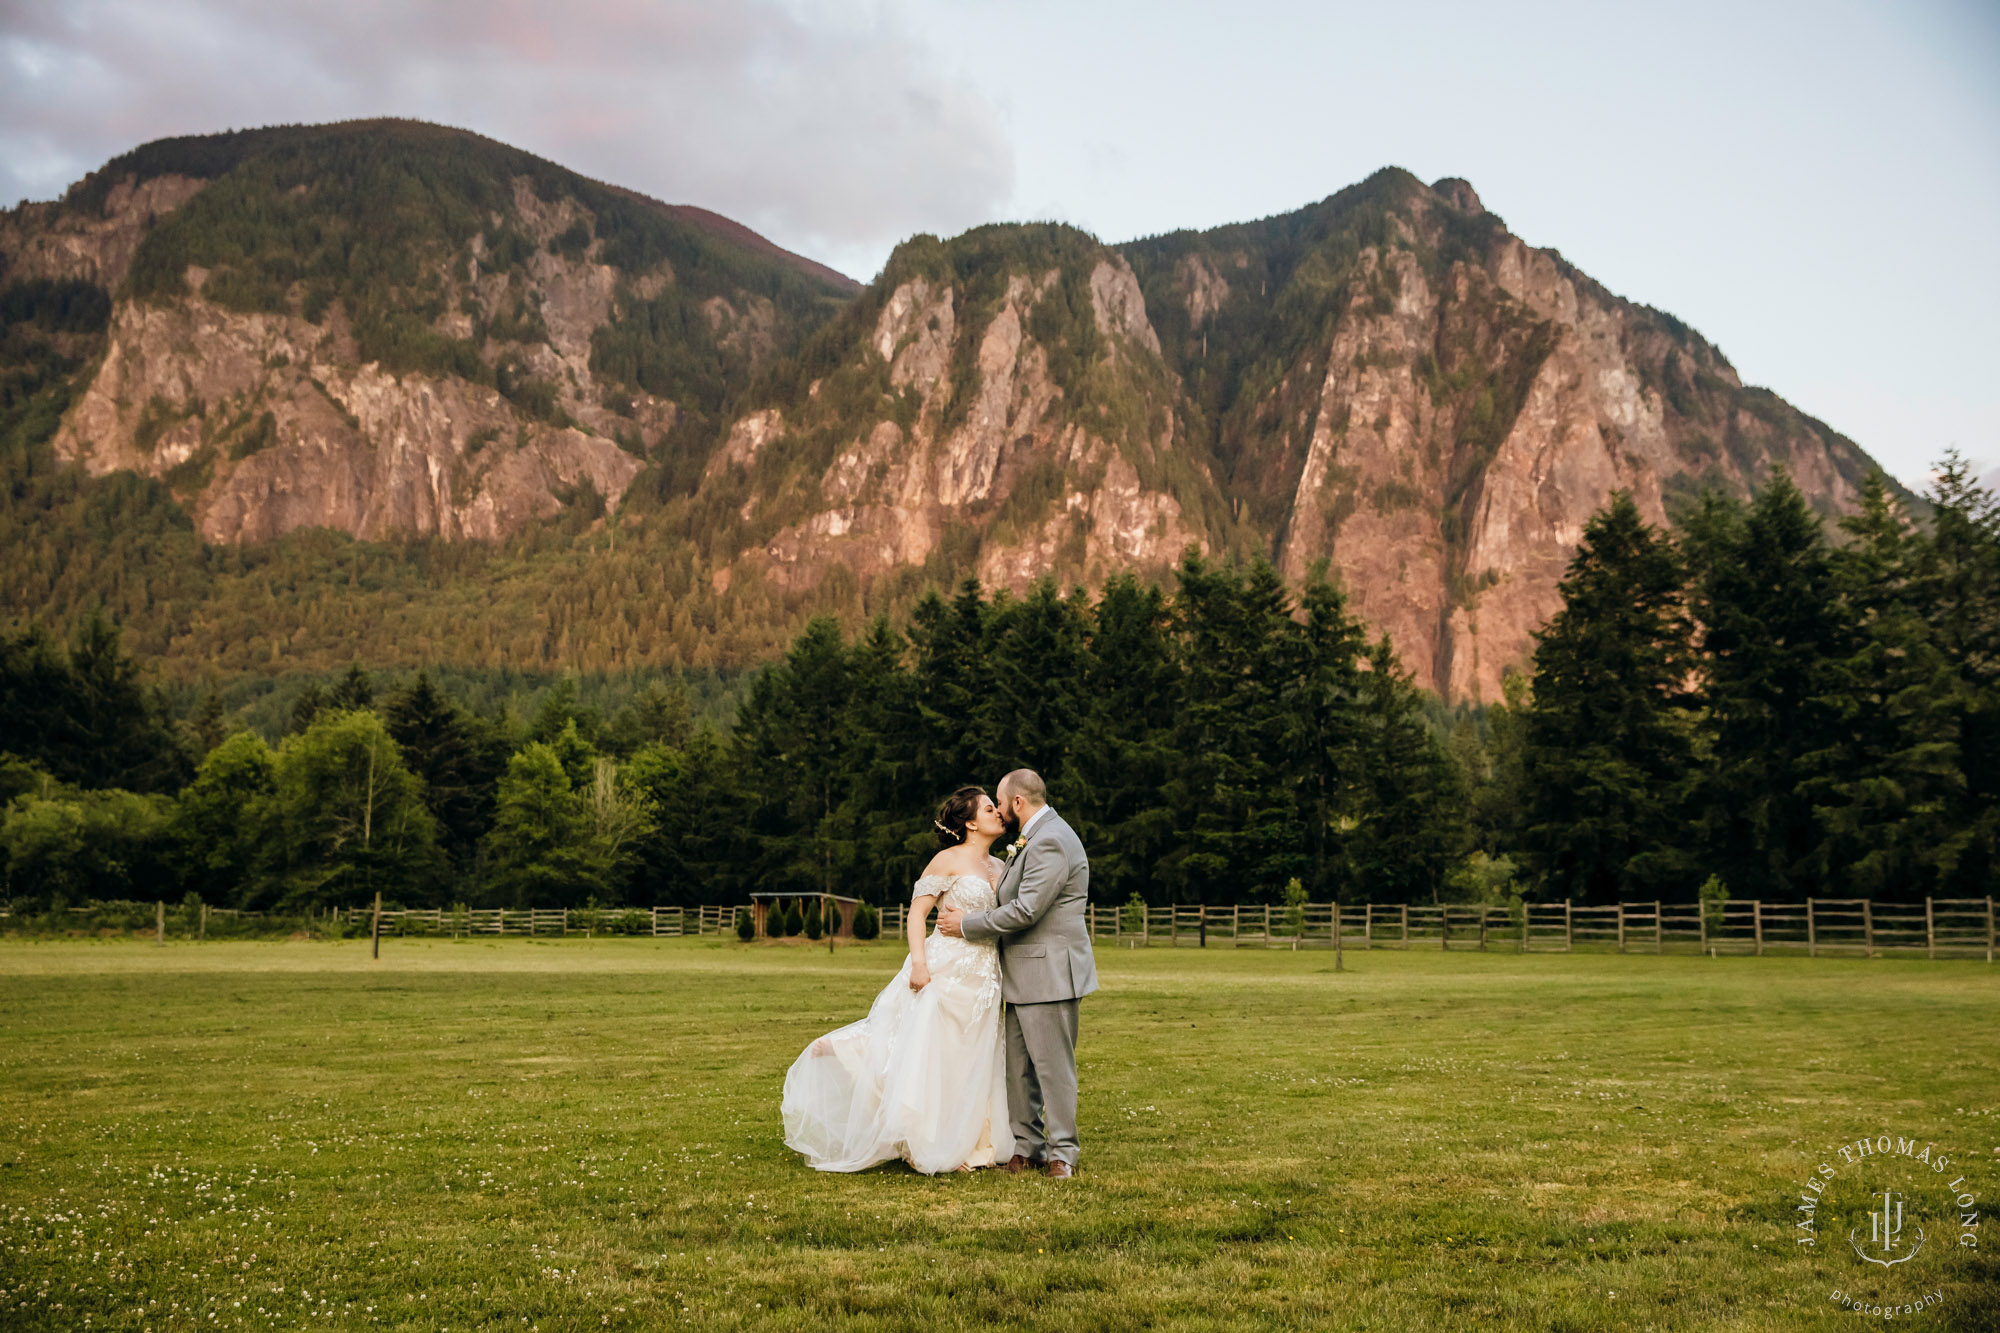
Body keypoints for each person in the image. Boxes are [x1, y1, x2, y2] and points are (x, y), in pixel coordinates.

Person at [780, 786, 1014, 1173]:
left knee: (970, 1056)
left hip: (985, 975)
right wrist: (919, 964)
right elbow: (916, 915)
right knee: (930, 1052)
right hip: (944, 967)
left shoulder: (1001, 867)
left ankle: (967, 1138)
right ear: (971, 822)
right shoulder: (946, 859)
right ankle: (924, 1135)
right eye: (990, 808)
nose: (998, 813)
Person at [937, 768, 1096, 1178]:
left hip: (1050, 973)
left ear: (1018, 803)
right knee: (1019, 1069)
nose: (999, 810)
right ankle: (1028, 1148)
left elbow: (1027, 910)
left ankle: (1063, 1153)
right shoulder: (1032, 839)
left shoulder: (1052, 841)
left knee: (1053, 1068)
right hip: (1023, 974)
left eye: (1001, 803)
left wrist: (967, 925)